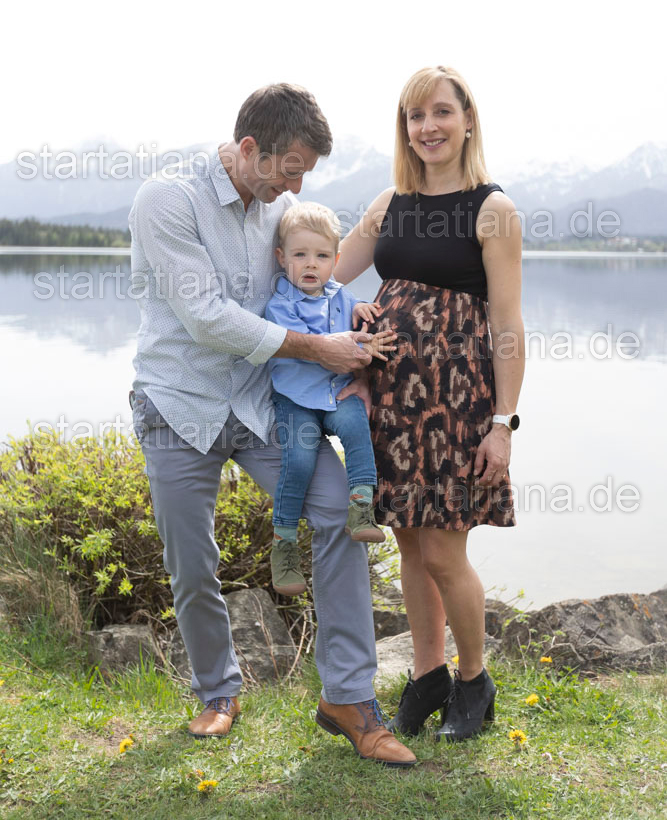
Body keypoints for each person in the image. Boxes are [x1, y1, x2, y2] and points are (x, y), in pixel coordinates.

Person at [128, 83, 415, 768]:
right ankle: (218, 690)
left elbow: (317, 280)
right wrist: (318, 349)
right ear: (250, 148)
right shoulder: (167, 200)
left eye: (305, 173)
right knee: (191, 561)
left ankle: (348, 698)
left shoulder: (281, 210)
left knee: (341, 514)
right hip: (176, 406)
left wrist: (351, 318)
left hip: (263, 405)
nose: (297, 186)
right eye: (290, 169)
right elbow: (207, 319)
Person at [335, 65, 524, 742]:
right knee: (410, 544)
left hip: (457, 402)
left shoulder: (493, 209)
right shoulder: (389, 203)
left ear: (467, 120)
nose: (427, 127)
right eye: (415, 116)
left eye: (441, 112)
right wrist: (347, 310)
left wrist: (502, 424)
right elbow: (323, 274)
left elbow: (507, 324)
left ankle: (473, 680)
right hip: (391, 399)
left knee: (444, 551)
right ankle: (427, 675)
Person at [264, 201, 393, 597]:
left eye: (321, 256)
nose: (310, 264)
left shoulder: (343, 297)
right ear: (281, 258)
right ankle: (284, 544)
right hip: (296, 399)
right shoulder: (279, 305)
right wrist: (349, 343)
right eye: (300, 255)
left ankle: (361, 507)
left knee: (357, 429)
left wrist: (364, 315)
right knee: (299, 461)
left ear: (335, 260)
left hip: (338, 390)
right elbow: (311, 344)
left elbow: (354, 323)